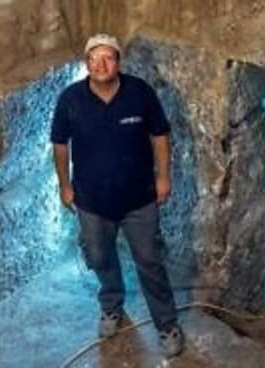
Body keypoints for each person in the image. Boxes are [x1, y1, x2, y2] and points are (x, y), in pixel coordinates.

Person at [50, 34, 185, 358]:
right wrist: (64, 185)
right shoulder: (70, 99)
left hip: (140, 199)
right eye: (94, 59)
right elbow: (59, 144)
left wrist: (164, 177)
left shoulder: (140, 93)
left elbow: (160, 135)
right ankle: (112, 305)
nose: (101, 65)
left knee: (150, 262)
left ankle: (167, 325)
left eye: (108, 58)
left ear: (118, 62)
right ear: (86, 65)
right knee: (98, 257)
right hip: (92, 202)